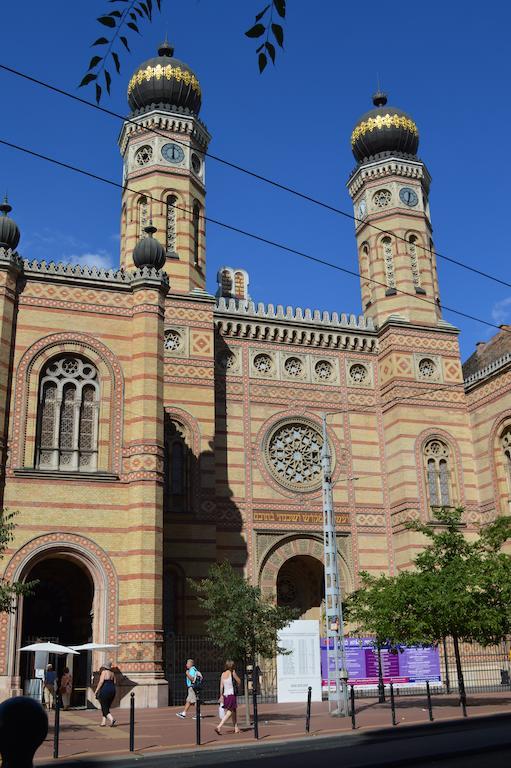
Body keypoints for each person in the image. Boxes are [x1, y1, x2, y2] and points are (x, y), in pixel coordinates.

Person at [215, 660, 240, 735]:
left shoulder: (223, 674)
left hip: (225, 694)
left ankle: (236, 728)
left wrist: (221, 695)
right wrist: (238, 685)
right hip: (231, 694)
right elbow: (239, 681)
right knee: (230, 712)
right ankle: (219, 726)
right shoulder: (232, 672)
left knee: (233, 711)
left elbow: (221, 686)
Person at [94, 661, 116, 727]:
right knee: (106, 706)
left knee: (104, 706)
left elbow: (101, 682)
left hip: (105, 690)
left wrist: (96, 690)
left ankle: (112, 719)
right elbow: (115, 682)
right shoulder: (113, 673)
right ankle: (103, 722)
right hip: (112, 690)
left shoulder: (104, 672)